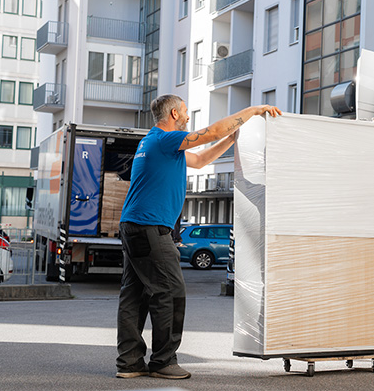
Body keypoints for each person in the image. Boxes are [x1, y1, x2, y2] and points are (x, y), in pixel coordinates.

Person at [115, 94, 281, 380]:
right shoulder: (164, 140)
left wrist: (232, 139)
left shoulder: (154, 144)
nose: (189, 117)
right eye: (186, 113)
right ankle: (163, 361)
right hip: (150, 228)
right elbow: (212, 132)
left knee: (135, 294)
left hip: (134, 226)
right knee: (170, 291)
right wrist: (253, 111)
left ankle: (129, 363)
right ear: (175, 114)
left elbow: (202, 160)